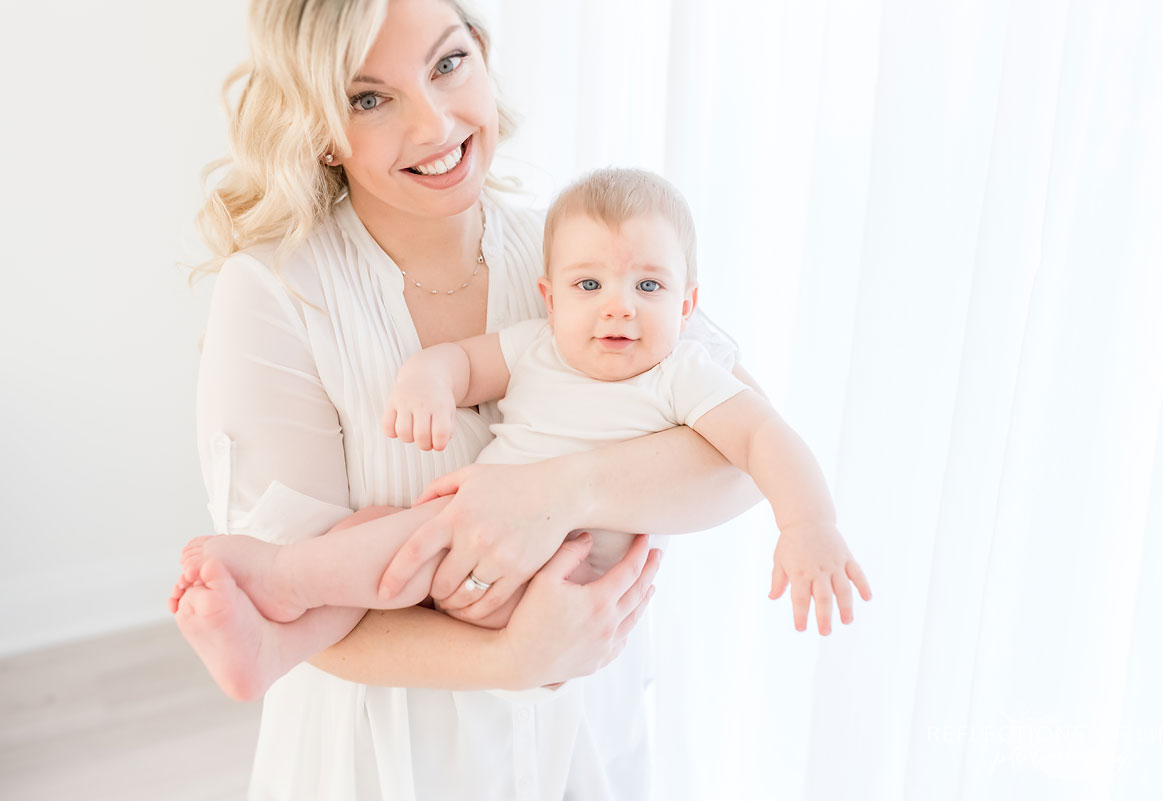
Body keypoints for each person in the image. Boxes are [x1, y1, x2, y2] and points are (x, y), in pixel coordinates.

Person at [176, 0, 790, 797]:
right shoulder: (275, 291)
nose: (434, 124)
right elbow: (289, 602)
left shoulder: (579, 252)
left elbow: (747, 457)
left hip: (583, 729)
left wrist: (556, 492)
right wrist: (509, 660)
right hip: (391, 753)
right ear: (321, 125)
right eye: (370, 97)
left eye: (447, 63)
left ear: (484, 53)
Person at [172, 167, 872, 704]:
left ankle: (283, 576)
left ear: (689, 305)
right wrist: (427, 379)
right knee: (381, 533)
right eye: (590, 285)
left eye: (650, 287)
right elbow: (465, 363)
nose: (618, 307)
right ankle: (277, 643)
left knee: (397, 542)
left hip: (553, 586)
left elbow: (762, 439)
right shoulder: (540, 345)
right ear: (551, 295)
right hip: (473, 567)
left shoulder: (680, 371)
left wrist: (809, 522)